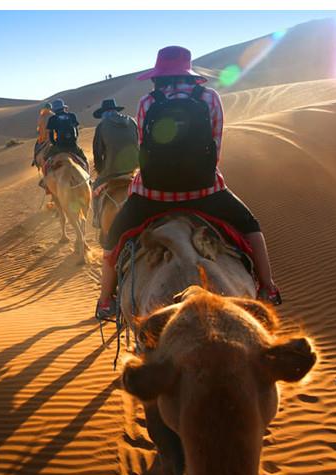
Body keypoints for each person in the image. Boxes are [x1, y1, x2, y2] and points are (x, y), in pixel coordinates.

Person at [95, 46, 281, 320]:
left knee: (113, 238)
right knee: (251, 226)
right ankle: (268, 287)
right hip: (206, 192)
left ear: (158, 75)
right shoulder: (209, 98)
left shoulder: (147, 102)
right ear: (189, 72)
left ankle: (105, 300)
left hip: (152, 195)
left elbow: (144, 150)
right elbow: (215, 148)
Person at [91, 98, 140, 227]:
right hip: (134, 168)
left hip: (112, 170)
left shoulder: (102, 126)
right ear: (116, 110)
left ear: (104, 113)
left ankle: (96, 218)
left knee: (96, 187)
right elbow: (138, 142)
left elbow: (97, 152)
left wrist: (100, 170)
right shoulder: (132, 121)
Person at [45, 99, 89, 172]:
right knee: (84, 160)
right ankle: (88, 175)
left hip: (59, 146)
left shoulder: (52, 119)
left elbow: (51, 134)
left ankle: (46, 177)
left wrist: (55, 144)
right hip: (72, 145)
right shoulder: (72, 115)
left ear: (54, 110)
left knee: (46, 160)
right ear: (63, 107)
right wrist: (74, 141)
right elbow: (76, 131)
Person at [32, 102, 54, 167]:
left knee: (36, 147)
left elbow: (39, 127)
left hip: (43, 138)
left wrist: (39, 131)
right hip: (54, 136)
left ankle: (35, 160)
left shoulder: (41, 116)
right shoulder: (53, 115)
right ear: (50, 108)